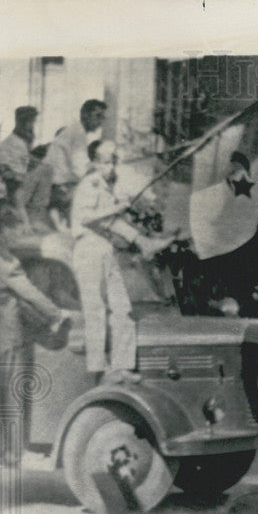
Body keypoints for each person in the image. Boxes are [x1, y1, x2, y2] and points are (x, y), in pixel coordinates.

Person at [0, 181, 71, 466]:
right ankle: (12, 453)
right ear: (3, 230)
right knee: (12, 397)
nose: (17, 236)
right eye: (15, 231)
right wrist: (56, 314)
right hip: (7, 336)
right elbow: (28, 290)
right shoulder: (0, 256)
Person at [70, 139, 171, 384]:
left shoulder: (104, 186)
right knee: (95, 311)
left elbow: (111, 223)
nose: (112, 166)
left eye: (114, 160)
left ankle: (122, 365)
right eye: (107, 161)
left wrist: (139, 238)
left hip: (105, 248)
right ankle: (100, 369)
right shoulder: (89, 184)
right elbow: (84, 218)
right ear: (95, 162)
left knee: (122, 308)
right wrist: (116, 209)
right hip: (88, 250)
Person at [43, 99, 107, 223]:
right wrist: (101, 168)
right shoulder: (77, 134)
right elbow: (81, 169)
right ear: (84, 115)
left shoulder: (75, 130)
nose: (100, 122)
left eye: (103, 118)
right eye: (97, 116)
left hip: (55, 186)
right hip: (57, 190)